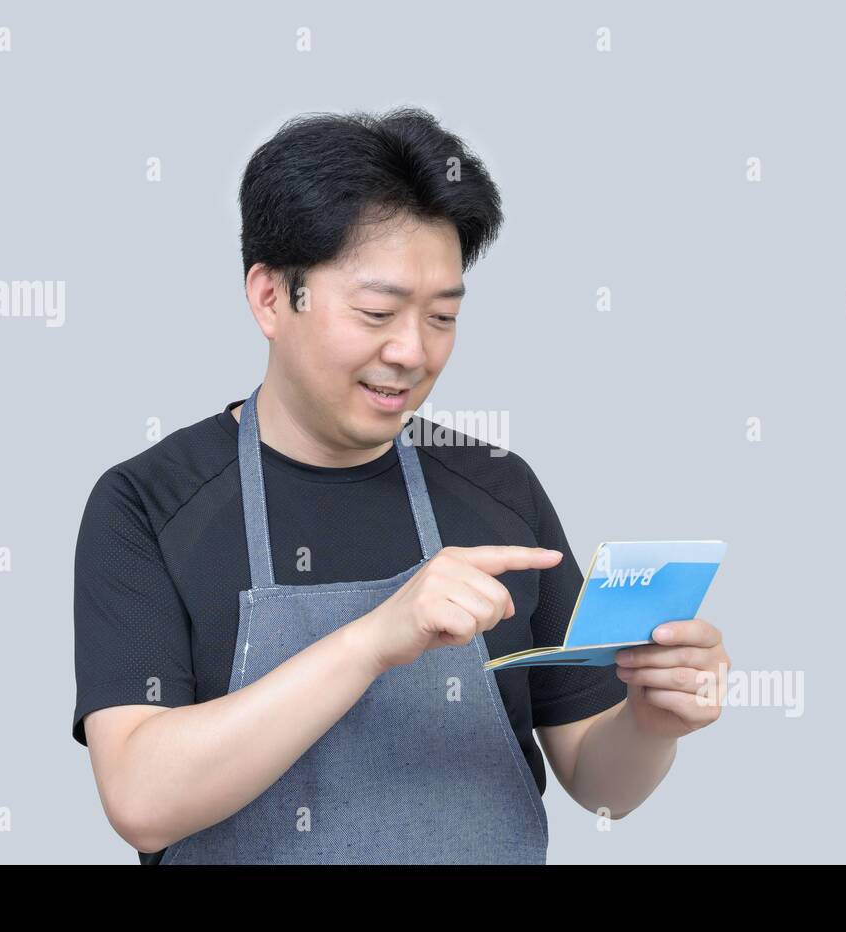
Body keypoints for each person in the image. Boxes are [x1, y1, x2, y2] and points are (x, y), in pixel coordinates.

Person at [71, 106, 731, 864]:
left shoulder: (499, 490)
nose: (412, 352)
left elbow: (599, 781)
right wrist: (377, 639)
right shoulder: (148, 505)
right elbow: (141, 799)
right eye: (377, 311)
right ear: (269, 298)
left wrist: (652, 720)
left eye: (443, 317)